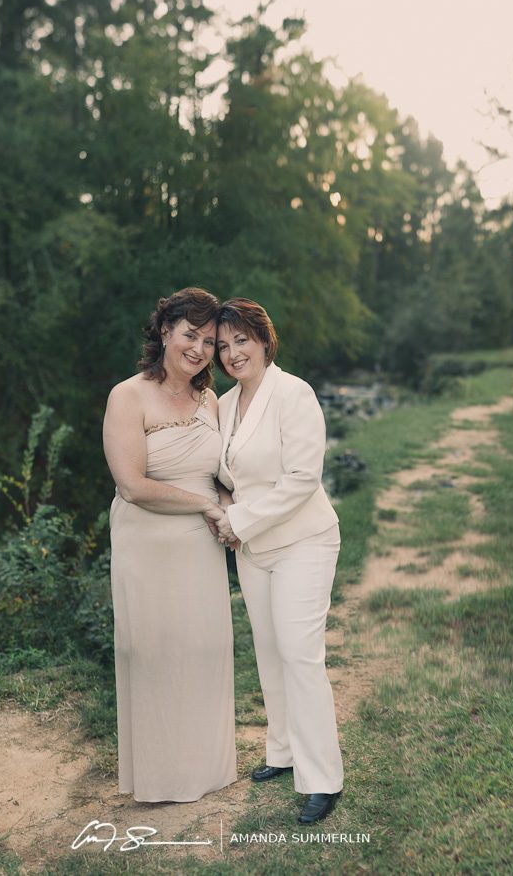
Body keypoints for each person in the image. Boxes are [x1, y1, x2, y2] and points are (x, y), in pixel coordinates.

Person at [102, 287, 236, 802]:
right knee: (155, 650)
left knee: (203, 647)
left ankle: (207, 768)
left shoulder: (211, 400)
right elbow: (132, 485)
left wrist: (230, 510)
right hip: (149, 541)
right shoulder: (127, 395)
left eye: (209, 340)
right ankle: (161, 777)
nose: (200, 349)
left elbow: (223, 471)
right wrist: (203, 505)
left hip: (201, 544)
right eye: (190, 335)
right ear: (164, 331)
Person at [212, 297, 344, 825]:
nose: (232, 353)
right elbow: (224, 478)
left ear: (265, 340)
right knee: (268, 653)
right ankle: (283, 752)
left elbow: (302, 478)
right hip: (255, 549)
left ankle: (324, 779)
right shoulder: (222, 406)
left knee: (299, 655)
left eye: (241, 340)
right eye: (223, 346)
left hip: (304, 541)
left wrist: (239, 521)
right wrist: (225, 511)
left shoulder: (295, 393)